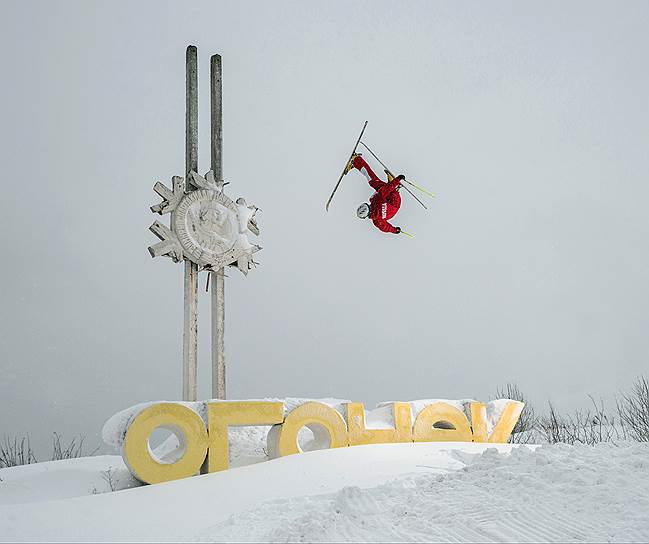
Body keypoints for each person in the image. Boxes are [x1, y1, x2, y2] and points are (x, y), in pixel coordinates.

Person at [345, 154, 404, 234]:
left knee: (375, 194)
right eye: (369, 206)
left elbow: (386, 227)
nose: (370, 204)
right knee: (373, 181)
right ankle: (356, 160)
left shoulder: (377, 221)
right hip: (393, 198)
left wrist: (395, 230)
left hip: (393, 204)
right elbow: (386, 190)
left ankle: (392, 186)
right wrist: (397, 180)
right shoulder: (377, 201)